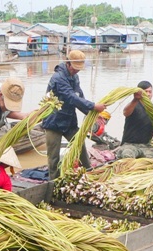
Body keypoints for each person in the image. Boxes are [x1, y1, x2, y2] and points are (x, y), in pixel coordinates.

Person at [41, 50, 107, 180]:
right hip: (53, 121)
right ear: (68, 63)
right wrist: (93, 105)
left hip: (69, 120)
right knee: (53, 158)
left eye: (79, 69)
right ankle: (54, 183)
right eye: (75, 68)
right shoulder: (58, 78)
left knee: (80, 146)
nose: (76, 71)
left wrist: (92, 114)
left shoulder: (74, 77)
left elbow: (79, 96)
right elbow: (71, 97)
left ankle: (89, 173)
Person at [116, 81, 153, 160]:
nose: (148, 94)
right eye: (145, 91)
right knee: (127, 155)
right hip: (129, 145)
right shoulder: (134, 105)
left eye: (150, 92)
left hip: (145, 146)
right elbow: (125, 112)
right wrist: (135, 99)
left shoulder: (151, 109)